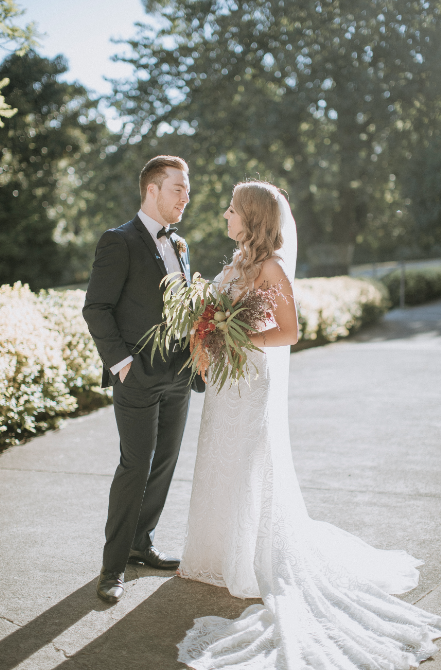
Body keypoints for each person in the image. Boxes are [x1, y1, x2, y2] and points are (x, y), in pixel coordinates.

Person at [177, 181, 441, 669]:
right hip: (223, 386)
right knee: (219, 462)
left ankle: (248, 557)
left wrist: (236, 340)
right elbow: (210, 316)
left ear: (252, 218)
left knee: (248, 463)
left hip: (250, 382)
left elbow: (290, 331)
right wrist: (204, 335)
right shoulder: (235, 263)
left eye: (232, 209)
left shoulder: (271, 267)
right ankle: (213, 554)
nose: (224, 215)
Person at [83, 155, 201, 604]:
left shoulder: (181, 244)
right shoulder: (118, 241)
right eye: (178, 189)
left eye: (186, 190)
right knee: (135, 465)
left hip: (178, 376)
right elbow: (96, 308)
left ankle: (141, 542)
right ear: (152, 189)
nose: (186, 197)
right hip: (136, 377)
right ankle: (112, 569)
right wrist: (122, 364)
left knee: (165, 462)